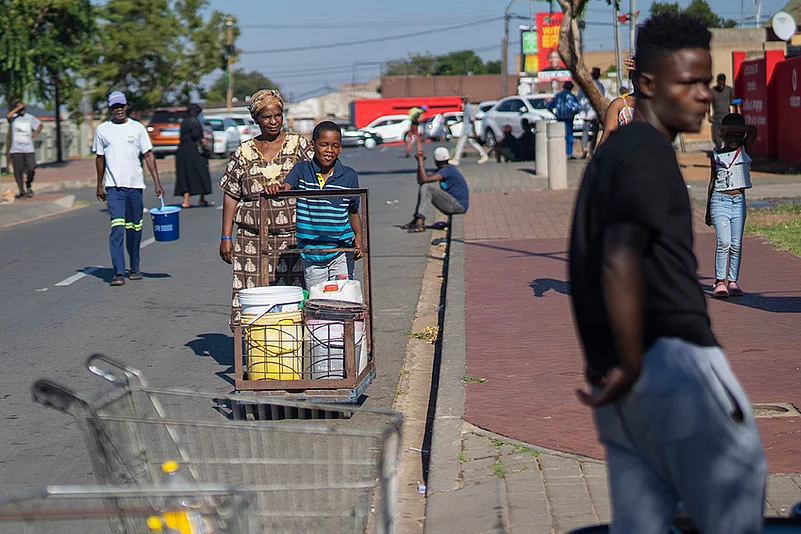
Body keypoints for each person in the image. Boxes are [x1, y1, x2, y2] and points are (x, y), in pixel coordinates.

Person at [569, 13, 766, 533]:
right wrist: (634, 365)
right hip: (671, 362)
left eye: (706, 81)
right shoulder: (647, 153)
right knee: (738, 493)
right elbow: (619, 254)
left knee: (643, 522)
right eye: (688, 82)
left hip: (618, 377)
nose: (703, 95)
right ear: (648, 85)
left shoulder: (614, 157)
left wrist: (617, 365)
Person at [219, 89, 313, 327]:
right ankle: (254, 353)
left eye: (278, 115)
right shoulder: (243, 152)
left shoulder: (299, 146)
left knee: (291, 301)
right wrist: (226, 237)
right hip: (251, 240)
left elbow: (317, 181)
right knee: (252, 301)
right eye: (266, 117)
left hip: (291, 239)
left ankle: (290, 352)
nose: (273, 122)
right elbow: (231, 194)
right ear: (256, 120)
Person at [265, 121, 362, 288]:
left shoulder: (349, 175)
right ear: (312, 145)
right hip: (311, 253)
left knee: (342, 297)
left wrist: (359, 237)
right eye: (324, 145)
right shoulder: (301, 171)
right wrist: (277, 188)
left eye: (335, 146)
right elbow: (285, 187)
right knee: (318, 300)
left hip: (340, 250)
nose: (329, 150)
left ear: (340, 148)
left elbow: (353, 210)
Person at [93, 91, 165, 286]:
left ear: (126, 107)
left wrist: (157, 183)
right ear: (109, 109)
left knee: (134, 229)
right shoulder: (102, 130)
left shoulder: (137, 128)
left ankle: (134, 267)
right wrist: (99, 185)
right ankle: (118, 272)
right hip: (114, 188)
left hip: (135, 186)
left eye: (121, 106)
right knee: (117, 228)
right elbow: (100, 158)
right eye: (114, 107)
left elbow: (148, 156)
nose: (118, 110)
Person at [705, 113, 757, 298]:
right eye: (729, 134)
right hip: (720, 201)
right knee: (724, 242)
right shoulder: (716, 154)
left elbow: (753, 131)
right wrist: (707, 211)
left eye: (737, 134)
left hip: (738, 202)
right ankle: (720, 281)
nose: (733, 138)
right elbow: (712, 181)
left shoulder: (745, 149)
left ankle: (733, 280)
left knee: (736, 244)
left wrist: (734, 129)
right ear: (722, 135)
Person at [401, 147, 469, 233]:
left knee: (427, 187)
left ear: (436, 161)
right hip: (455, 204)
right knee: (425, 186)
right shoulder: (443, 170)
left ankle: (420, 221)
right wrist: (420, 162)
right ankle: (417, 219)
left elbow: (424, 180)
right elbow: (421, 180)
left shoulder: (447, 170)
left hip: (458, 206)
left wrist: (421, 161)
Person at [174, 103, 213, 208]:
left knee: (184, 173)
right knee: (201, 172)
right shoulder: (195, 121)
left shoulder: (183, 122)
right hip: (194, 150)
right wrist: (205, 143)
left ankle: (186, 200)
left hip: (182, 150)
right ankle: (202, 198)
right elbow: (197, 135)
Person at [597, 57, 638, 147]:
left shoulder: (659, 104)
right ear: (631, 78)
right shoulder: (620, 105)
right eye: (635, 75)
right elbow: (607, 138)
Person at [6, 99, 42, 198]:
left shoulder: (29, 118)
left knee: (31, 168)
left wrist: (34, 134)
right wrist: (17, 109)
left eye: (21, 106)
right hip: (16, 150)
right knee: (18, 171)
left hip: (28, 149)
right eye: (17, 106)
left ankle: (28, 183)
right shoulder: (13, 118)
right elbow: (8, 116)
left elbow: (40, 125)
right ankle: (22, 191)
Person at [451, 95, 489, 166]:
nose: (462, 101)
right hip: (466, 128)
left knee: (460, 143)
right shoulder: (465, 107)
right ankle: (484, 155)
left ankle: (456, 159)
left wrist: (474, 132)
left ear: (466, 99)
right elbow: (464, 119)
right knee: (472, 143)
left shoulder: (469, 107)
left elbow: (472, 120)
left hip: (467, 129)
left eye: (463, 99)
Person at [547, 81, 581, 158]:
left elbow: (549, 107)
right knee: (569, 136)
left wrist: (555, 114)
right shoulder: (571, 96)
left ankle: (560, 152)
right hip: (569, 118)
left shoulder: (558, 95)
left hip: (559, 118)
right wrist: (573, 112)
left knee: (560, 136)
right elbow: (577, 107)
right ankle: (569, 153)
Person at [577, 67, 605, 158]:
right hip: (595, 113)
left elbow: (579, 98)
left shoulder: (584, 85)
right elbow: (601, 99)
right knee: (594, 132)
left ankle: (584, 148)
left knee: (585, 131)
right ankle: (591, 151)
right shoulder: (600, 86)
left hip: (586, 113)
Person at [708, 73, 734, 149]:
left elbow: (732, 101)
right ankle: (719, 148)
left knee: (727, 138)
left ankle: (726, 153)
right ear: (717, 82)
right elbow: (708, 104)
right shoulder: (712, 91)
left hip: (727, 118)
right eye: (720, 84)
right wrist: (709, 115)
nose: (721, 86)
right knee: (716, 138)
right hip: (716, 118)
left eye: (723, 84)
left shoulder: (729, 90)